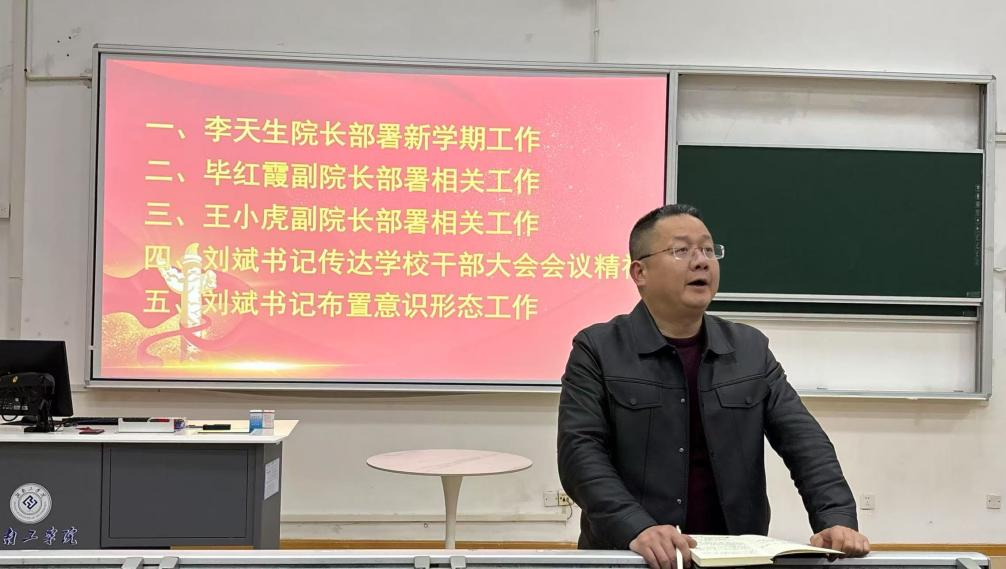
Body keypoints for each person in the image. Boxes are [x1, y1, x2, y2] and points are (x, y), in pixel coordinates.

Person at [557, 204, 870, 569]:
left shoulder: (750, 349)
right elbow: (580, 454)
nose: (701, 261)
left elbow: (805, 442)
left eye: (708, 249)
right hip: (632, 556)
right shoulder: (598, 349)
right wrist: (636, 527)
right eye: (681, 250)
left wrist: (836, 518)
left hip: (734, 557)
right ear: (640, 272)